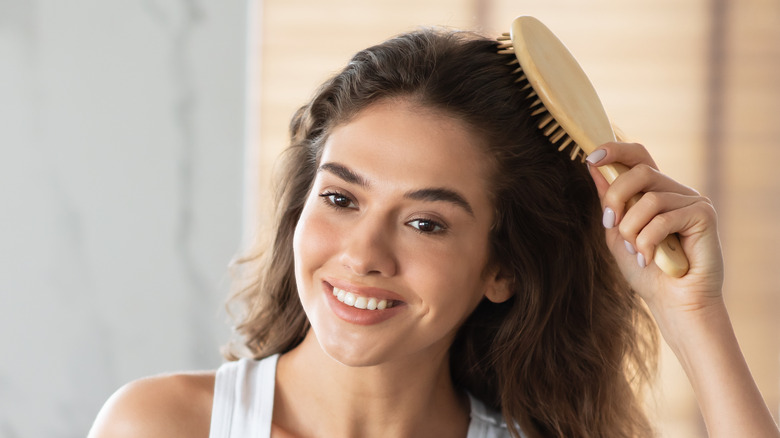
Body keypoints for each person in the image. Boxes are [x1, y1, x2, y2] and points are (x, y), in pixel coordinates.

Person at [88, 28, 780, 438]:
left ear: (500, 267)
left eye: (425, 222)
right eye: (340, 197)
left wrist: (692, 313)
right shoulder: (163, 426)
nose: (362, 254)